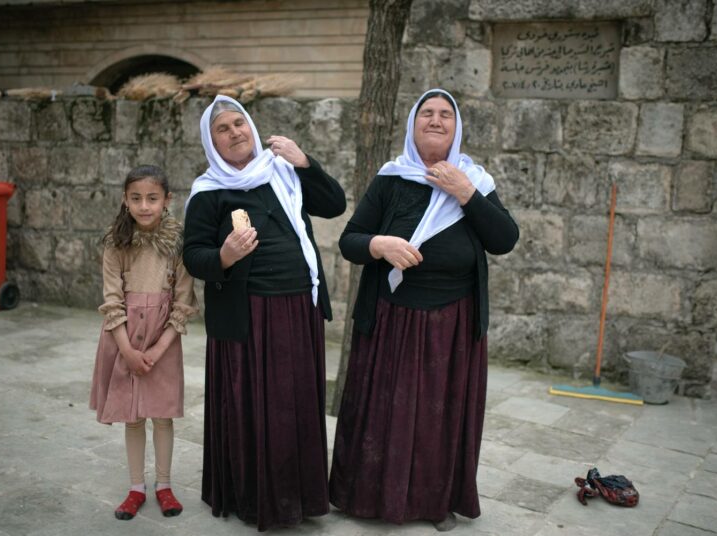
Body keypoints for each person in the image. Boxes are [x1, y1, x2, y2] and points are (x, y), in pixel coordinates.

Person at [329, 89, 519, 531]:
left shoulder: (475, 181)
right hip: (393, 317)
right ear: (413, 125)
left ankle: (437, 502)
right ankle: (369, 497)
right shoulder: (391, 179)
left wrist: (466, 193)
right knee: (384, 413)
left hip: (453, 322)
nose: (436, 120)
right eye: (427, 114)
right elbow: (350, 241)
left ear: (456, 128)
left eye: (445, 115)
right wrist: (381, 244)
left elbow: (504, 240)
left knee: (441, 415)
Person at [183, 95, 346, 531]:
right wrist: (224, 254)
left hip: (299, 305)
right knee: (254, 405)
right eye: (224, 128)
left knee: (295, 404)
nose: (235, 132)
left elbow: (333, 205)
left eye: (240, 124)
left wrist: (304, 160)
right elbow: (193, 256)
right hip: (247, 316)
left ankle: (301, 495)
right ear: (211, 141)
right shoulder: (209, 192)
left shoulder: (284, 172)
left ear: (252, 128)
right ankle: (256, 498)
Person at [89, 165, 198, 520]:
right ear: (125, 200)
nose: (144, 206)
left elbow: (183, 301)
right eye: (136, 198)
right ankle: (136, 487)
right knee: (132, 418)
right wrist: (127, 350)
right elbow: (111, 299)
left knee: (162, 417)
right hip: (124, 340)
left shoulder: (179, 244)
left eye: (152, 198)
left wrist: (156, 349)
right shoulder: (115, 243)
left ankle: (164, 485)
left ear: (167, 200)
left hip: (162, 342)